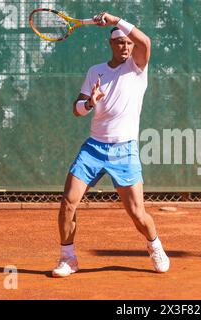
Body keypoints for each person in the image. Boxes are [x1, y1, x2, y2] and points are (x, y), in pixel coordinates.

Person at [52, 12, 170, 278]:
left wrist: (117, 20)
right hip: (94, 148)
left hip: (124, 150)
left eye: (129, 43)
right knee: (68, 202)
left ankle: (155, 247)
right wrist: (90, 103)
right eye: (120, 43)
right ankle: (68, 258)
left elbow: (146, 42)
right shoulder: (96, 71)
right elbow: (77, 109)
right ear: (111, 44)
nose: (126, 47)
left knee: (138, 213)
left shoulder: (138, 68)